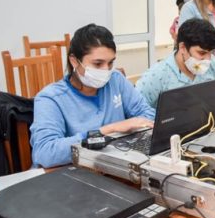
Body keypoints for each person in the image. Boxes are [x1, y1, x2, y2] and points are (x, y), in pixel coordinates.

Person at [30, 24, 155, 168]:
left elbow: (147, 115)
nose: (106, 70)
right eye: (98, 64)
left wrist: (134, 126)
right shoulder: (50, 98)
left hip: (113, 163)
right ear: (74, 61)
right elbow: (45, 152)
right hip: (74, 171)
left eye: (110, 62)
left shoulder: (115, 79)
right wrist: (105, 131)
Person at [136, 18, 215, 109]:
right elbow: (134, 109)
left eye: (211, 53)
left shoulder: (211, 65)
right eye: (201, 53)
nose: (207, 59)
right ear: (182, 47)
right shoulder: (158, 75)